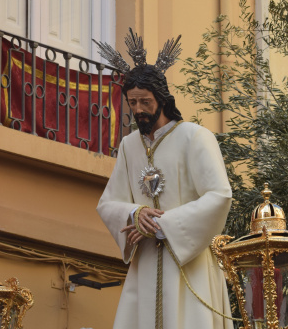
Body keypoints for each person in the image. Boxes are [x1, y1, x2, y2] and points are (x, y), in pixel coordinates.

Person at [96, 33, 232, 329]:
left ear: (162, 99)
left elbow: (219, 195)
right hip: (144, 267)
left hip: (188, 264)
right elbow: (108, 202)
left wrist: (163, 225)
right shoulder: (129, 147)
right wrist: (135, 213)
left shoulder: (195, 137)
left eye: (145, 101)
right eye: (133, 103)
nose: (139, 109)